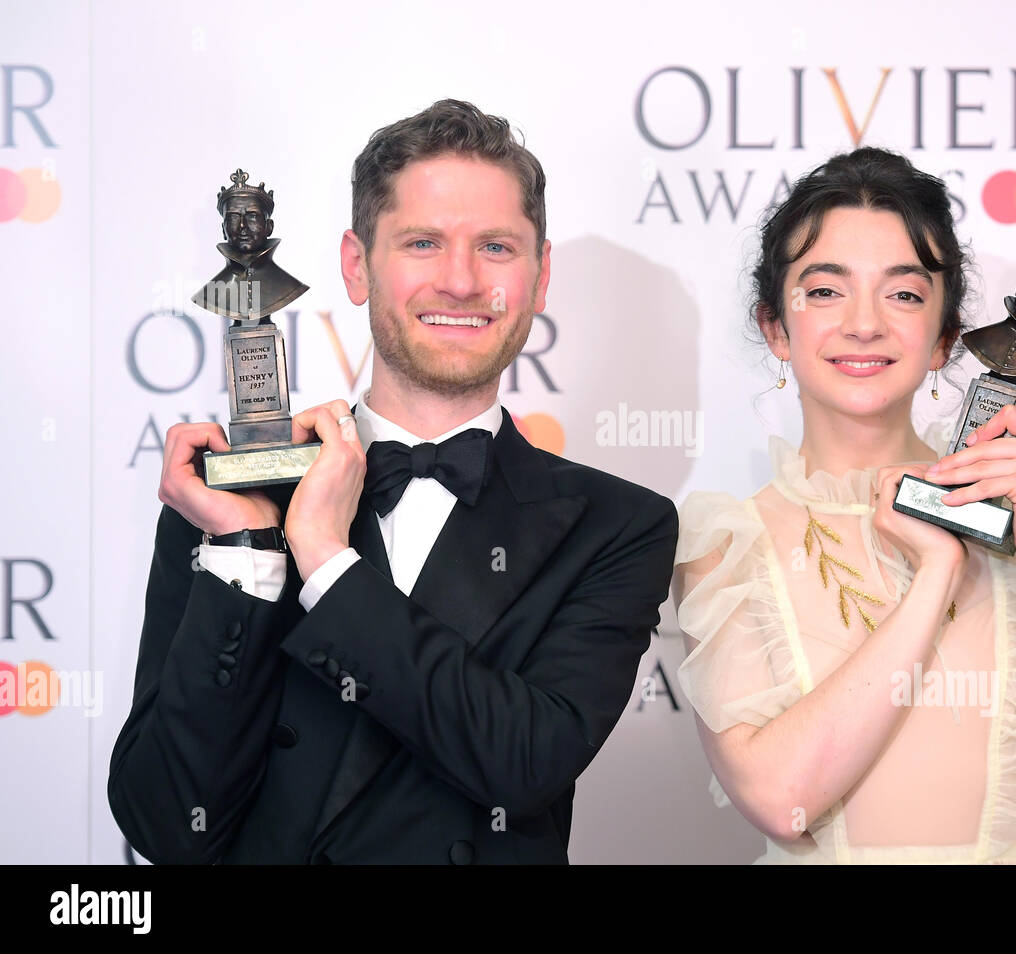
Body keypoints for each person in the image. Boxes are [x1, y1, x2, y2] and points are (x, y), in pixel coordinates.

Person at [108, 99, 679, 865]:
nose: (460, 281)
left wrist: (325, 559)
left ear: (540, 277)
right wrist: (247, 555)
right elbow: (166, 826)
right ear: (356, 265)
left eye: (496, 247)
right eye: (422, 243)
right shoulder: (228, 502)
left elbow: (522, 764)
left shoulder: (618, 525)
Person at [671, 147, 1016, 864]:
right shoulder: (730, 544)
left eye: (904, 295)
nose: (864, 324)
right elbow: (779, 798)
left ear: (945, 338)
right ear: (776, 328)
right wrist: (936, 574)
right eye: (825, 291)